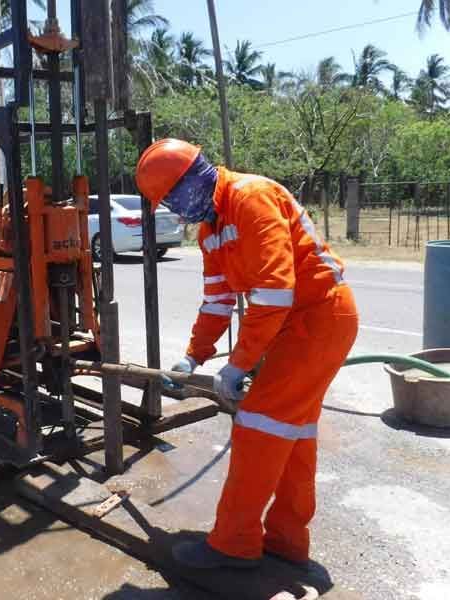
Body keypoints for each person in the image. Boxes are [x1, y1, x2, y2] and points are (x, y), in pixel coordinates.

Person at [135, 139, 358, 569]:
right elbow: (217, 301)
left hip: (320, 317)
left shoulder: (251, 199)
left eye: (172, 201)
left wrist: (237, 365)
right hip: (299, 325)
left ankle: (234, 545)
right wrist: (193, 358)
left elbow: (276, 292)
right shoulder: (211, 231)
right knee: (293, 431)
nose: (177, 214)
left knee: (257, 422)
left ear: (191, 182)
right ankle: (287, 541)